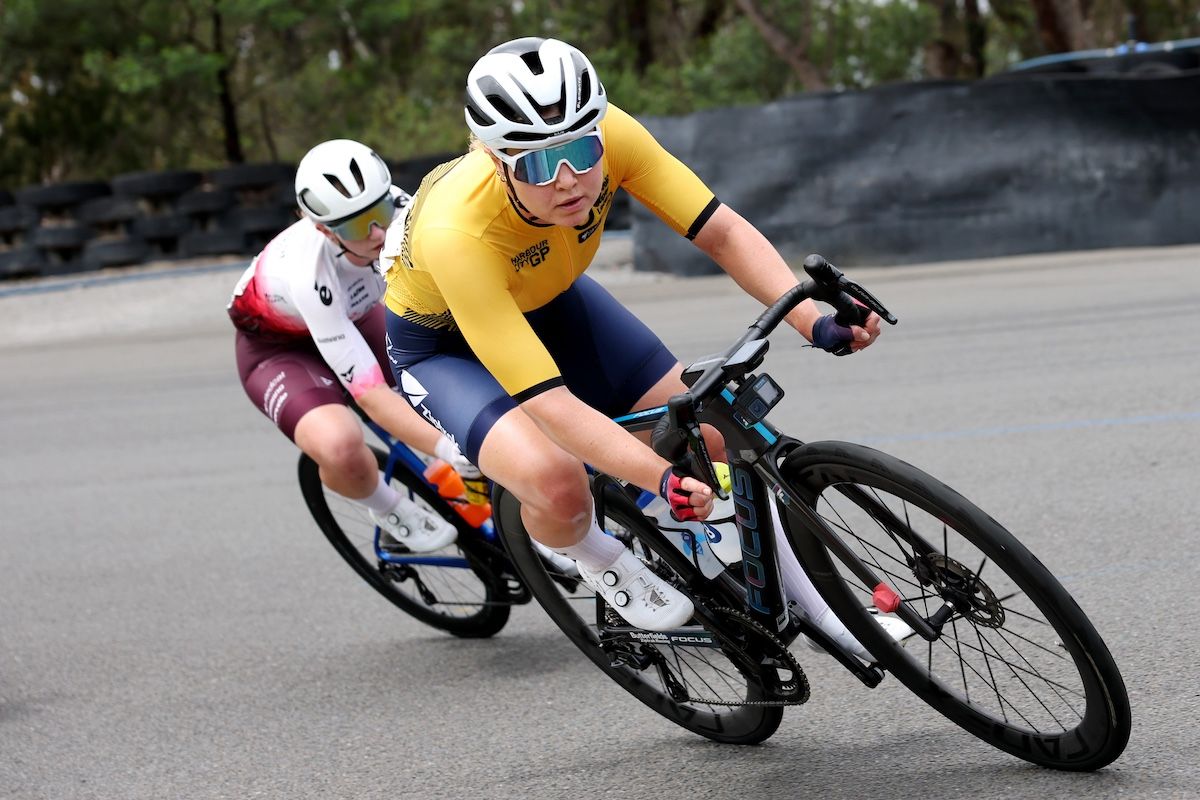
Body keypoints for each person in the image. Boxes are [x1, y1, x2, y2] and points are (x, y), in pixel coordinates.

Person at [381, 38, 910, 655]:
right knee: (556, 483)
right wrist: (661, 479)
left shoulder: (617, 135)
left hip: (550, 301)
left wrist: (813, 321)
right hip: (443, 347)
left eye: (581, 150)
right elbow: (552, 406)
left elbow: (721, 231)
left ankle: (822, 612)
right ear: (496, 162)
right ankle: (590, 551)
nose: (568, 180)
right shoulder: (458, 231)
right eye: (535, 165)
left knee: (714, 433)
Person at [227, 139, 467, 553]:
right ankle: (388, 507)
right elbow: (371, 396)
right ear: (323, 229)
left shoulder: (404, 210)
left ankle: (463, 487)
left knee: (448, 378)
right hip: (278, 351)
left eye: (379, 213)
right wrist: (451, 447)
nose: (378, 232)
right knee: (339, 445)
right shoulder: (310, 273)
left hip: (354, 317)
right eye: (357, 226)